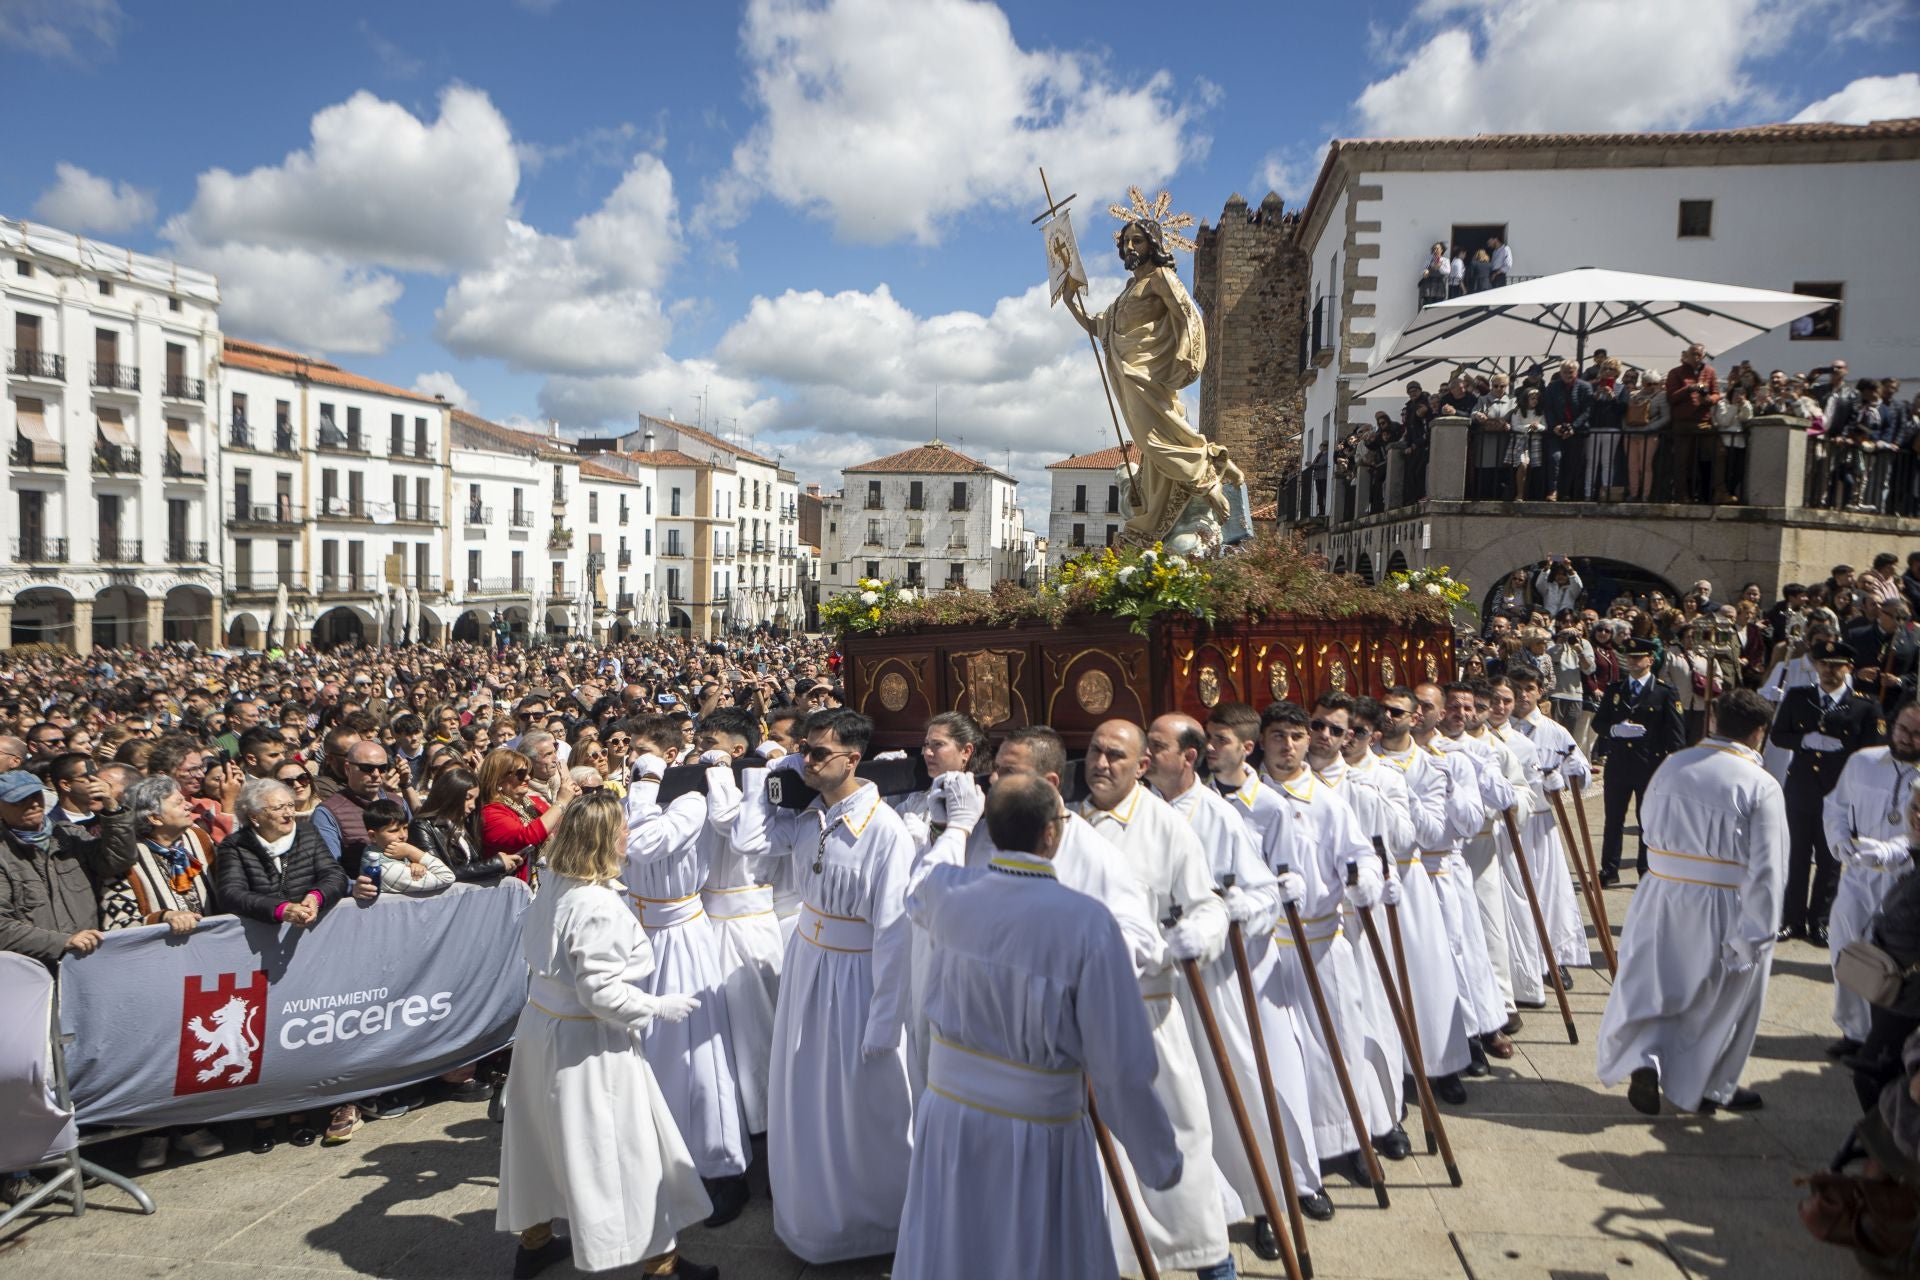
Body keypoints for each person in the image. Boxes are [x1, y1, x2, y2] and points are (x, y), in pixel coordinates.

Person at [893, 771, 1181, 1280]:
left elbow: (919, 883)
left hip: (950, 1119)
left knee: (955, 1243)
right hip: (1034, 1133)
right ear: (1053, 832)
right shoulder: (1086, 922)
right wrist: (1158, 1158)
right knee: (1031, 1252)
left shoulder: (948, 892)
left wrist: (959, 827)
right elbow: (1121, 1064)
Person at [495, 790, 716, 1280]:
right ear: (602, 838)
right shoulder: (596, 904)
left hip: (541, 1032)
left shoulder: (554, 882)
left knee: (539, 1139)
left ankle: (534, 1243)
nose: (628, 836)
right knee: (625, 1148)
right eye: (622, 827)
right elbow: (601, 993)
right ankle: (662, 1266)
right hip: (587, 1044)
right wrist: (656, 1005)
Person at [737, 708, 916, 1263]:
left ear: (853, 759)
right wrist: (773, 772)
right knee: (807, 1093)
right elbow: (750, 843)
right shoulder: (811, 815)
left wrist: (885, 1021)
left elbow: (894, 933)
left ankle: (871, 1223)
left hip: (856, 978)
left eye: (818, 754)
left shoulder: (884, 830)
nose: (808, 761)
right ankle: (812, 1215)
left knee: (856, 1103)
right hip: (810, 967)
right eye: (805, 751)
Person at [1596, 690, 1785, 1115]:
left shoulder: (1673, 764)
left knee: (1654, 982)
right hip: (1723, 902)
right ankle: (1706, 1084)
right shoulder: (1760, 784)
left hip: (1660, 892)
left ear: (1715, 720)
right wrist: (1758, 933)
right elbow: (1769, 868)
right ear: (1759, 733)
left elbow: (1645, 826)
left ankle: (1644, 1059)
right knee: (1720, 998)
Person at [619, 717, 753, 1229]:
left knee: (698, 1051)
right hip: (642, 932)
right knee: (648, 1051)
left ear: (672, 755)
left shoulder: (691, 797)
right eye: (634, 755)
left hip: (681, 933)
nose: (636, 763)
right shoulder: (634, 794)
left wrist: (650, 784)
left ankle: (724, 1170)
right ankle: (660, 1158)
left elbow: (646, 845)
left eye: (646, 753)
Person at [1064, 215, 1246, 547]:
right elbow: (1098, 326)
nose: (1130, 246)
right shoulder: (1127, 291)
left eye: (1138, 240)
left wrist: (1185, 356)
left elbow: (1188, 315)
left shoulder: (1161, 278)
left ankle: (1208, 478)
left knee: (1156, 440)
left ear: (1154, 245)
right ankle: (1199, 471)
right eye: (1126, 241)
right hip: (1130, 376)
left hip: (1148, 375)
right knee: (1153, 447)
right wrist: (1069, 301)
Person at [114, 775, 226, 1170]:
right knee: (159, 1051)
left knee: (196, 1047)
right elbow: (117, 922)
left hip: (207, 964)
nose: (186, 802)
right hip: (153, 971)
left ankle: (192, 1125)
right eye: (175, 800)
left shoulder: (199, 839)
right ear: (152, 818)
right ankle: (154, 1131)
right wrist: (161, 917)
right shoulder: (126, 855)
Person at [1771, 640, 1887, 945]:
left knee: (1830, 860)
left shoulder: (1866, 704)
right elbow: (1778, 734)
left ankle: (1820, 921)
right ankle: (1791, 919)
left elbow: (1873, 752)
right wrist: (1805, 740)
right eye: (1823, 664)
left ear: (1848, 668)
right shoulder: (1799, 696)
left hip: (1840, 794)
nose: (1829, 671)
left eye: (1836, 665)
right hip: (1801, 789)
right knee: (1796, 857)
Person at [1823, 701, 1920, 1060]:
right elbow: (1835, 805)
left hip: (1904, 882)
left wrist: (1886, 851)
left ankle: (1885, 1037)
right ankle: (1854, 1031)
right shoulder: (1862, 761)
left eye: (1915, 734)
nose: (1906, 739)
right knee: (1845, 948)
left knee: (1890, 961)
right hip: (1857, 875)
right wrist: (1839, 840)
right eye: (1901, 729)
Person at [1590, 638, 1687, 885]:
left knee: (1648, 821)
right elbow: (1598, 723)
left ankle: (1646, 869)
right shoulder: (1615, 689)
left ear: (1650, 660)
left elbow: (1675, 736)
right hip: (1619, 765)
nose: (1632, 662)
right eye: (1629, 657)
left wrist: (1672, 769)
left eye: (1638, 657)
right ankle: (1609, 869)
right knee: (1613, 819)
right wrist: (1614, 730)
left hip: (1650, 766)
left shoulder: (1665, 691)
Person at [357, 798, 453, 896]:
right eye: (393, 830)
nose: (403, 835)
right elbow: (446, 876)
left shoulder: (385, 851)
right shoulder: (384, 869)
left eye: (405, 828)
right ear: (373, 836)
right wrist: (412, 852)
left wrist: (415, 864)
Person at [1665, 343, 1721, 504]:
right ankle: (1682, 495)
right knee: (1682, 461)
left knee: (1719, 453)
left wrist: (1709, 399)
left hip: (1703, 421)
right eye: (1693, 354)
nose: (1696, 357)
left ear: (1703, 356)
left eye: (1699, 354)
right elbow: (1671, 397)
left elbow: (1716, 393)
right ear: (1687, 355)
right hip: (1683, 422)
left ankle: (1719, 491)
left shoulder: (1710, 371)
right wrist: (1689, 389)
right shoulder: (1676, 373)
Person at [1541, 361, 1593, 502]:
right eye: (1565, 372)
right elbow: (1548, 409)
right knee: (1555, 458)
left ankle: (1565, 492)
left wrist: (1573, 427)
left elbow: (1587, 411)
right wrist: (1555, 426)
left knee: (1571, 463)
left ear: (1576, 372)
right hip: (1556, 431)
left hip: (1576, 432)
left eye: (1571, 372)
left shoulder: (1585, 387)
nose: (1568, 374)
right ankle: (1552, 490)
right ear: (1560, 371)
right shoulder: (1552, 387)